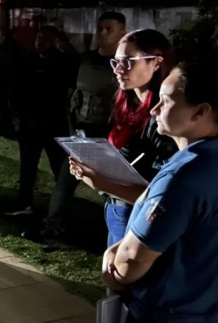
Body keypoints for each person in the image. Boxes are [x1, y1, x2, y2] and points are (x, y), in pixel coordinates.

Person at [101, 62, 218, 322]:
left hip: (162, 312)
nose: (154, 110)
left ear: (200, 111)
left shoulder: (184, 175)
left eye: (165, 101)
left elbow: (132, 260)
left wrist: (114, 270)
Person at [70, 29, 178, 246]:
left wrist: (99, 182)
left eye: (129, 61)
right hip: (116, 209)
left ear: (157, 62)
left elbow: (159, 199)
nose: (119, 69)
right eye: (116, 62)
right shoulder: (127, 104)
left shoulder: (164, 119)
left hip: (139, 217)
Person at [32, 12, 127, 239]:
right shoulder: (84, 61)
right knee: (65, 182)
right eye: (100, 28)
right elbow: (71, 98)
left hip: (109, 135)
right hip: (82, 131)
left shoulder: (125, 66)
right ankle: (53, 224)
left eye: (109, 29)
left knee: (112, 190)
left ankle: (118, 234)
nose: (102, 33)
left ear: (122, 33)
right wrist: (71, 130)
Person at [6, 25, 78, 216]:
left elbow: (73, 76)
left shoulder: (64, 63)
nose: (41, 42)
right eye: (38, 38)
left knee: (59, 169)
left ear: (55, 42)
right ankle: (24, 203)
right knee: (27, 166)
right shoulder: (28, 62)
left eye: (46, 38)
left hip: (55, 126)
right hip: (30, 126)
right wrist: (17, 117)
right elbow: (15, 90)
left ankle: (62, 208)